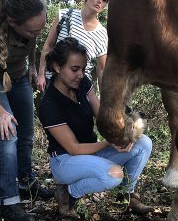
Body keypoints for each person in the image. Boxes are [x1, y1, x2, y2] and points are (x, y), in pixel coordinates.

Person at [38, 37, 154, 218]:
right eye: (75, 69)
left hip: (91, 152)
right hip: (65, 160)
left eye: (83, 69)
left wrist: (124, 130)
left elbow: (101, 115)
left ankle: (128, 194)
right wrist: (109, 143)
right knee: (114, 175)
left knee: (144, 144)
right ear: (58, 67)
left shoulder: (82, 84)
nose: (81, 75)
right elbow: (74, 148)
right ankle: (69, 193)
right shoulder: (49, 104)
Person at [0, 0, 54, 221]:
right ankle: (9, 203)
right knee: (9, 132)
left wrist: (32, 67)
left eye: (40, 28)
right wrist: (0, 112)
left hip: (19, 76)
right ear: (13, 22)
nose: (38, 33)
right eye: (33, 29)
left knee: (26, 134)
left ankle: (26, 184)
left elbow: (31, 44)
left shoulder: (33, 24)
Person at [38, 0, 109, 92]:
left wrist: (105, 100)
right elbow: (48, 46)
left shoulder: (102, 33)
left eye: (104, 0)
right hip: (54, 82)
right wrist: (41, 75)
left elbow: (101, 69)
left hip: (80, 88)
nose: (99, 1)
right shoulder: (65, 15)